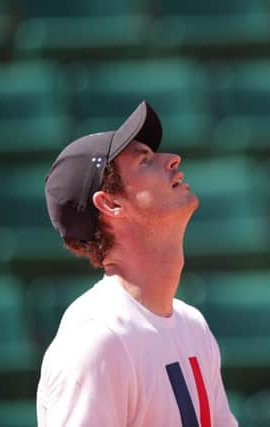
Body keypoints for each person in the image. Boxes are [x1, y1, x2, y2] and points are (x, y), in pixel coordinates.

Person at [37, 101, 238, 426]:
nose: (172, 159)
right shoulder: (96, 341)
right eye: (145, 160)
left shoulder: (193, 325)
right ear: (111, 203)